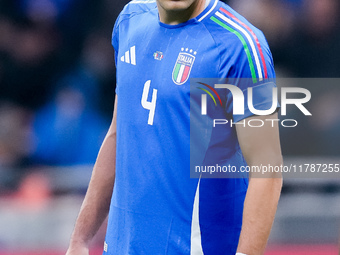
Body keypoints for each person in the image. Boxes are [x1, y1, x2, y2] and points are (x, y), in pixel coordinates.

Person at [66, 0, 283, 254]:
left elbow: (268, 169)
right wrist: (79, 239)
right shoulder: (130, 20)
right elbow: (117, 134)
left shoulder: (241, 45)